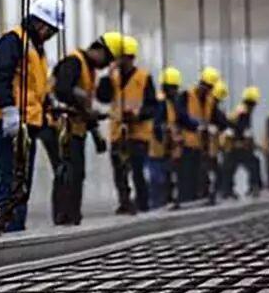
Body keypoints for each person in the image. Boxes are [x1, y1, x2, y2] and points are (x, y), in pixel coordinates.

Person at [0, 0, 62, 231]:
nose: (52, 36)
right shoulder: (13, 41)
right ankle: (10, 226)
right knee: (11, 176)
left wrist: (51, 106)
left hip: (28, 123)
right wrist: (8, 111)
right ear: (41, 23)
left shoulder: (37, 49)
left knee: (22, 178)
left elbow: (37, 89)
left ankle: (16, 225)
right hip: (5, 121)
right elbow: (1, 77)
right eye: (52, 30)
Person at [50, 32, 121, 225]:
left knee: (77, 173)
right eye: (108, 59)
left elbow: (84, 105)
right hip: (65, 128)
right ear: (99, 50)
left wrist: (93, 125)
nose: (106, 65)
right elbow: (62, 90)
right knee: (68, 172)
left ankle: (73, 215)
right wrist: (79, 98)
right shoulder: (74, 62)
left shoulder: (88, 69)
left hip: (77, 128)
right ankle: (64, 215)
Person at [96, 35, 156, 214]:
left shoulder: (144, 78)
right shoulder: (112, 77)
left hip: (138, 133)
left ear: (131, 58)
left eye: (125, 58)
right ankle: (125, 201)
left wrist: (138, 115)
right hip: (117, 132)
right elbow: (103, 97)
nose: (122, 61)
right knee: (119, 170)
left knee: (137, 169)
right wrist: (107, 75)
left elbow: (152, 105)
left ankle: (143, 202)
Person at [178, 66, 227, 203]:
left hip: (201, 146)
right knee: (186, 176)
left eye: (210, 87)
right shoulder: (186, 96)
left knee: (199, 176)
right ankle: (185, 200)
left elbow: (220, 120)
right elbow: (181, 115)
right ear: (200, 83)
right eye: (205, 86)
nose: (207, 90)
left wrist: (218, 126)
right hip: (185, 145)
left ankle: (199, 198)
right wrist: (196, 125)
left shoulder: (210, 101)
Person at [148, 66, 190, 210]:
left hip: (166, 147)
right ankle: (155, 204)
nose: (175, 91)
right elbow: (157, 124)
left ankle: (164, 201)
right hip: (156, 147)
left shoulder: (171, 103)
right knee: (157, 177)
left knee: (166, 176)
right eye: (173, 88)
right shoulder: (160, 102)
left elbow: (182, 119)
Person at [220, 86, 263, 199]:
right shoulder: (244, 113)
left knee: (229, 168)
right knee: (253, 163)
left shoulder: (240, 110)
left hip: (232, 144)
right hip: (234, 144)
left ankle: (227, 190)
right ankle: (253, 187)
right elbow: (239, 129)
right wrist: (244, 143)